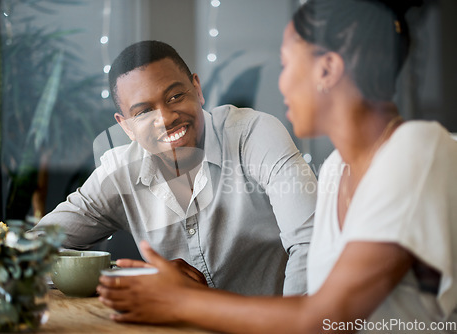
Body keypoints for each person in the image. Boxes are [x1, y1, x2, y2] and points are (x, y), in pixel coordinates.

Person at [97, 0, 457, 332]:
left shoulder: (415, 150)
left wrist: (180, 299)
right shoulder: (335, 170)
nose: (281, 82)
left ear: (327, 69)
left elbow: (328, 319)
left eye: (285, 64)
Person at [36, 40, 317, 296]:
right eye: (144, 112)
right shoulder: (120, 172)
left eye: (174, 97)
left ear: (197, 89)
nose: (167, 118)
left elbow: (311, 245)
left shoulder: (253, 135)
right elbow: (31, 251)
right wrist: (139, 276)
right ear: (126, 126)